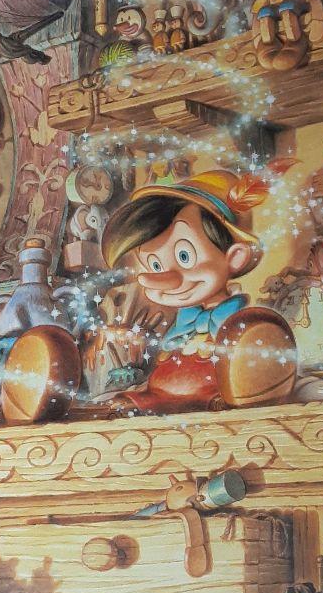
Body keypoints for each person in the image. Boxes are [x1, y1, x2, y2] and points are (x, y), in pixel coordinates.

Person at [98, 168, 298, 414]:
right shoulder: (180, 326)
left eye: (184, 256)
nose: (165, 278)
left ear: (235, 257)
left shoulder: (244, 328)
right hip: (165, 399)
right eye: (155, 265)